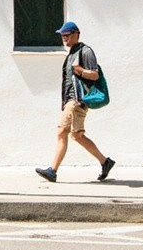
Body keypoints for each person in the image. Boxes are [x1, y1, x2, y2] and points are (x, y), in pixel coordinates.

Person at [35, 20, 115, 183]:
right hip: (71, 101)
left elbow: (94, 75)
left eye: (67, 35)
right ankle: (105, 162)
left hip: (77, 100)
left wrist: (81, 71)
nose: (64, 38)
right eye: (62, 35)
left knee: (61, 132)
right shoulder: (72, 52)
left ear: (76, 34)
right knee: (77, 135)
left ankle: (53, 171)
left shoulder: (85, 51)